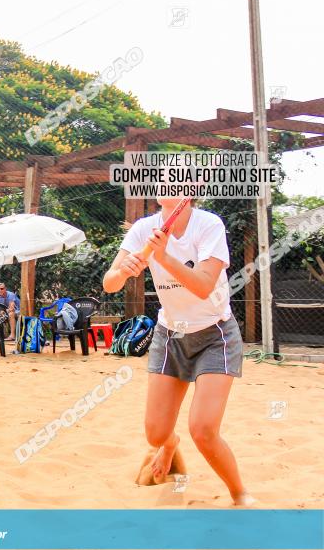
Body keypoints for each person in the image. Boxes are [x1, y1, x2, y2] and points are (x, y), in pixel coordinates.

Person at [102, 197, 253, 506]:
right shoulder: (144, 228)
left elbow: (203, 287)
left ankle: (240, 494)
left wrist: (164, 256)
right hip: (170, 336)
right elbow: (109, 284)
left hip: (215, 335)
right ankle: (170, 445)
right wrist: (125, 271)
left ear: (191, 188)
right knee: (156, 435)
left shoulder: (208, 224)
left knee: (203, 429)